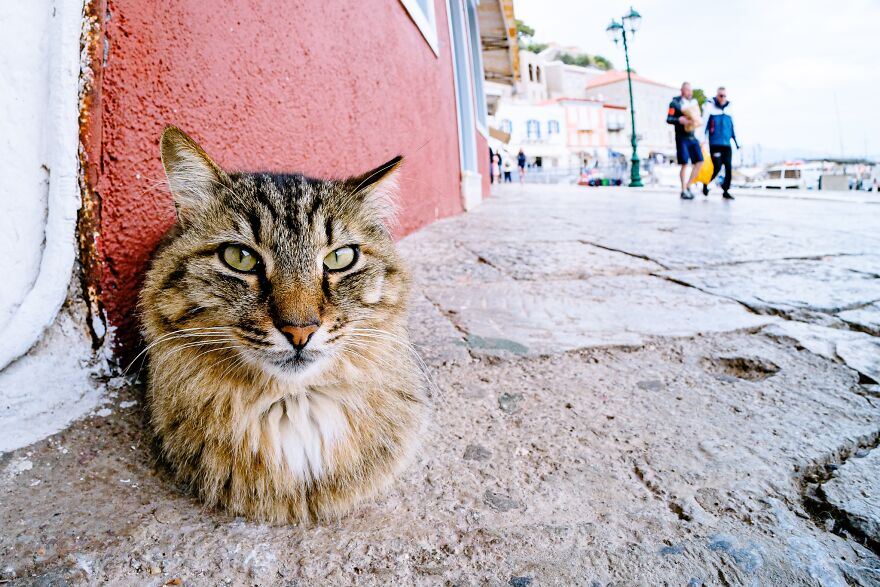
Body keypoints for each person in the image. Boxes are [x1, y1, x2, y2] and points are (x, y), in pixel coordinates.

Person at [666, 82, 703, 199]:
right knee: (684, 163)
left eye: (691, 90)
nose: (690, 93)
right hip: (681, 137)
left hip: (692, 136)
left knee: (699, 161)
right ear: (682, 91)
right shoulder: (675, 103)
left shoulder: (693, 103)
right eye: (688, 90)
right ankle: (683, 190)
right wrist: (679, 120)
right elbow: (669, 119)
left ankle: (688, 186)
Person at [702, 86, 739, 199]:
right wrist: (702, 141)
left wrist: (736, 142)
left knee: (728, 167)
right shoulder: (710, 108)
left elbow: (732, 127)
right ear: (717, 96)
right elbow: (705, 126)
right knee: (717, 167)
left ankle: (726, 190)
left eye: (724, 95)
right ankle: (706, 183)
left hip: (727, 144)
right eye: (720, 95)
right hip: (715, 143)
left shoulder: (729, 109)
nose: (722, 98)